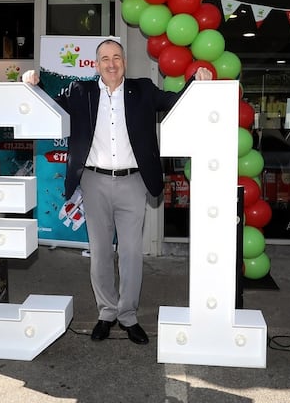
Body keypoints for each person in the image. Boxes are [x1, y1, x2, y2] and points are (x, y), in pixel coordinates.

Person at [22, 38, 212, 345]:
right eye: (105, 59)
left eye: (117, 58)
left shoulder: (144, 90)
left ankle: (128, 316)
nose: (111, 64)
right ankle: (106, 313)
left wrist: (197, 81)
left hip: (133, 182)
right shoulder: (79, 91)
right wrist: (31, 83)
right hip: (94, 183)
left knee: (131, 253)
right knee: (99, 254)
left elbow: (175, 101)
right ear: (96, 65)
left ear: (124, 62)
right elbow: (49, 105)